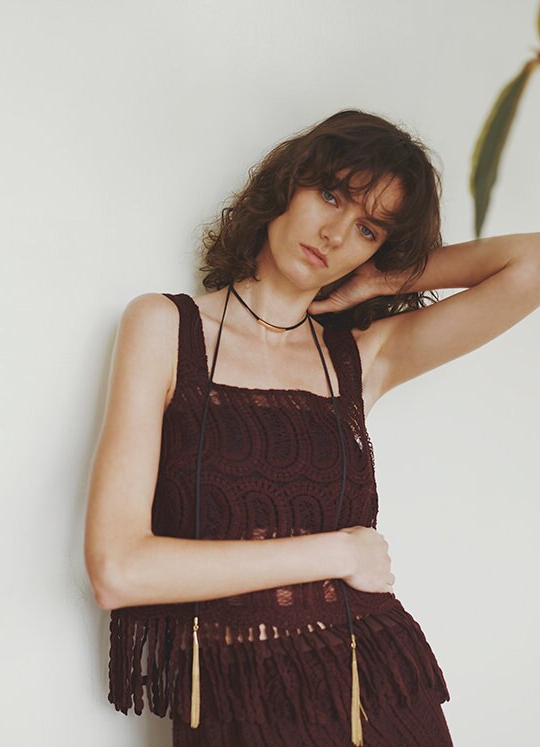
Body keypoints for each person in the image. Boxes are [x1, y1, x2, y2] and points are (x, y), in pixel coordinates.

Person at [84, 109, 540, 746]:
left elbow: (531, 264)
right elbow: (119, 571)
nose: (334, 234)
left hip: (377, 692)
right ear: (285, 185)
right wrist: (337, 553)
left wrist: (383, 273)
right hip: (238, 704)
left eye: (367, 228)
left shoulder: (362, 357)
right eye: (331, 195)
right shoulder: (166, 328)